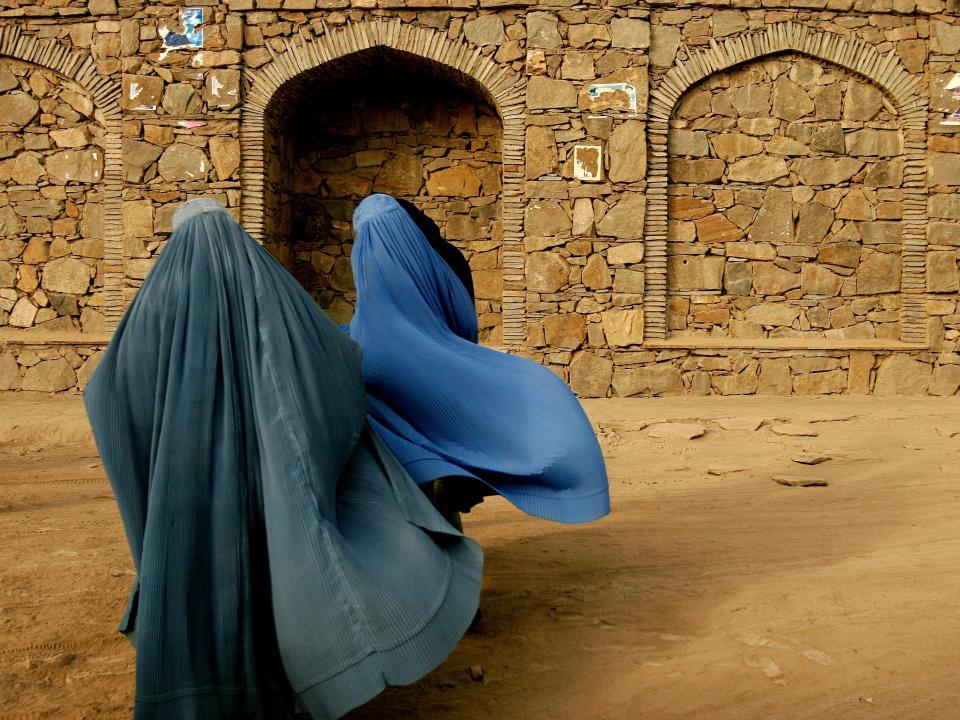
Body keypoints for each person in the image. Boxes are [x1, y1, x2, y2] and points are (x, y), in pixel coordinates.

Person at [83, 199, 482, 720]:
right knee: (278, 567)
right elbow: (334, 371)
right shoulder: (271, 293)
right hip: (270, 481)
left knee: (196, 576)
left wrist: (156, 459)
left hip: (185, 491)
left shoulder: (154, 307)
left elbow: (109, 394)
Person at [348, 193, 611, 526]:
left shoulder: (369, 262)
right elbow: (462, 324)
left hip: (388, 370)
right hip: (442, 365)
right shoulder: (441, 257)